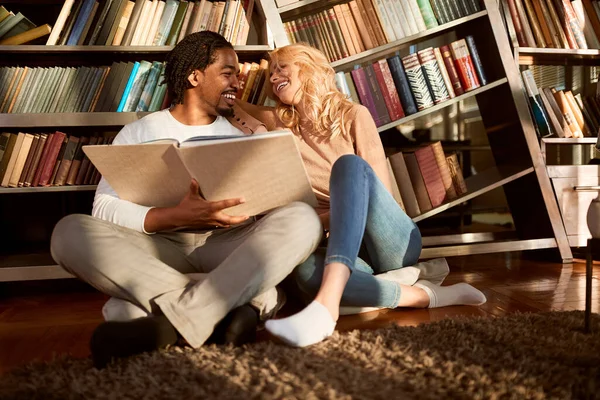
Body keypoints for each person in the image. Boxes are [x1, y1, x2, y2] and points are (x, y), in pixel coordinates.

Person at [49, 32, 322, 368]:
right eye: (228, 73)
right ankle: (234, 306)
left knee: (303, 219)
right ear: (195, 76)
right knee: (69, 232)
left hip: (228, 243)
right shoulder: (140, 132)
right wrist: (173, 216)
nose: (237, 82)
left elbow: (280, 212)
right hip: (161, 247)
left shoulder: (244, 133)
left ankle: (167, 322)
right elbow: (103, 209)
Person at [234, 43, 487, 347]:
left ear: (308, 68)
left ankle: (328, 305)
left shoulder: (354, 114)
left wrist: (323, 219)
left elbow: (379, 193)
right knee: (303, 273)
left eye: (281, 67)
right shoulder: (279, 123)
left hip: (389, 241)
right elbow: (228, 104)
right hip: (347, 250)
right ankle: (426, 295)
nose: (273, 77)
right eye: (270, 72)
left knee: (350, 166)